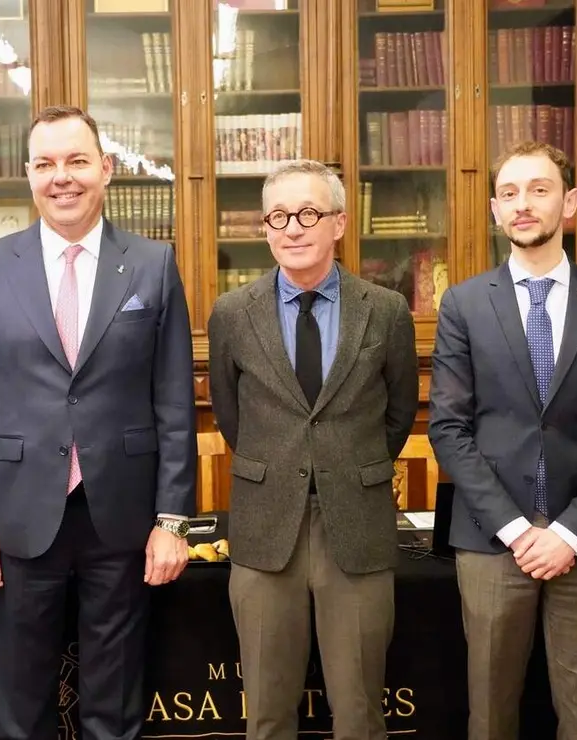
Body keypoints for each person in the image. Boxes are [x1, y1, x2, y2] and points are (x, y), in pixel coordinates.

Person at [0, 104, 197, 740]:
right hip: (19, 513)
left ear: (106, 169)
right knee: (21, 701)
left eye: (77, 161)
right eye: (46, 163)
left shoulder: (152, 264)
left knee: (113, 703)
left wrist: (172, 519)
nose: (63, 177)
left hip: (121, 512)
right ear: (28, 175)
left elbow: (174, 403)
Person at [428, 140, 577, 740]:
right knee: (491, 715)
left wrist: (570, 533)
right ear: (495, 210)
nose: (522, 204)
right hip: (492, 541)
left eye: (539, 189)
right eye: (509, 193)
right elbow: (448, 428)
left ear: (570, 201)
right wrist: (517, 530)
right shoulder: (464, 305)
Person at [207, 158, 419, 740]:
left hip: (355, 525)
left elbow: (398, 415)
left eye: (308, 212)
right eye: (278, 216)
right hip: (264, 526)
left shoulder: (385, 310)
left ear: (339, 223)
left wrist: (345, 466)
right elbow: (232, 415)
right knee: (268, 715)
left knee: (359, 713)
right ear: (266, 227)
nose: (293, 228)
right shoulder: (231, 314)